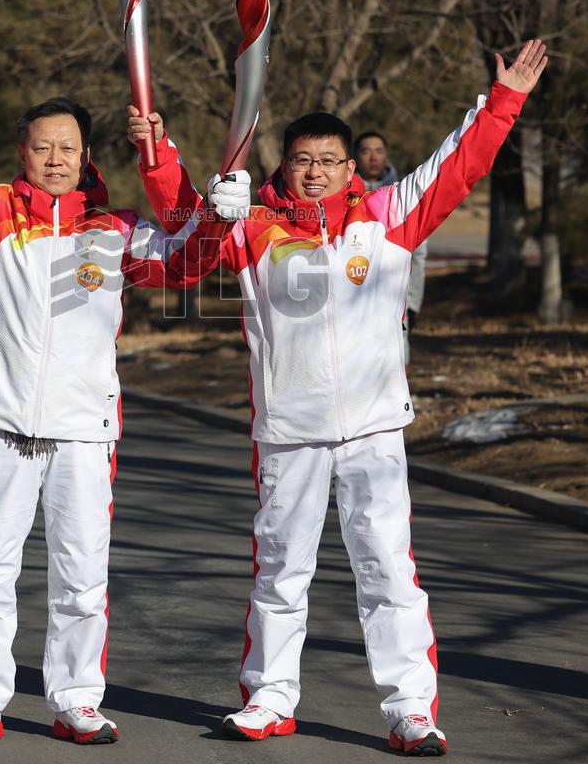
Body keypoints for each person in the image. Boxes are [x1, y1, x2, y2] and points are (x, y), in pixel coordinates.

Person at [132, 40, 548, 756]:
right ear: (283, 167)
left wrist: (502, 100)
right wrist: (163, 158)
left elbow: (460, 166)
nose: (316, 172)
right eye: (303, 160)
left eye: (329, 161)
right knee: (281, 570)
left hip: (373, 433)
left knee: (387, 570)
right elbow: (184, 240)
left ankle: (409, 709)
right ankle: (269, 698)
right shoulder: (253, 228)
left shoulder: (387, 217)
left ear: (351, 168)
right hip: (289, 431)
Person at [0, 11, 251, 747]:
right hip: (5, 422)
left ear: (86, 158)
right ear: (22, 152)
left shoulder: (114, 230)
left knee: (81, 576)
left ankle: (76, 698)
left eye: (67, 148)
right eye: (42, 146)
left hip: (84, 428)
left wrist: (216, 219)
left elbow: (186, 265)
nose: (55, 157)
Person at [355, 131, 428, 364]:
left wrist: (413, 303)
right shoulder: (342, 196)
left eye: (379, 151)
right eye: (366, 151)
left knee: (396, 360)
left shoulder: (404, 194)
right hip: (352, 298)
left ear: (387, 155)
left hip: (394, 299)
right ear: (355, 158)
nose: (373, 157)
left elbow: (418, 256)